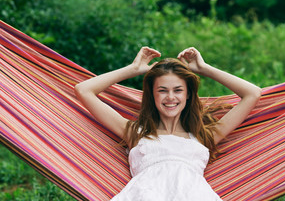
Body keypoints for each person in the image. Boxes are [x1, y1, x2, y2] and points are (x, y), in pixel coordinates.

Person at [75, 47, 261, 200]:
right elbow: (84, 90)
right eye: (162, 90)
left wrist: (204, 69)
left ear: (188, 94)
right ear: (152, 95)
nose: (170, 97)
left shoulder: (204, 136)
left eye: (178, 90)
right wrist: (133, 69)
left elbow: (252, 94)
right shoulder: (136, 132)